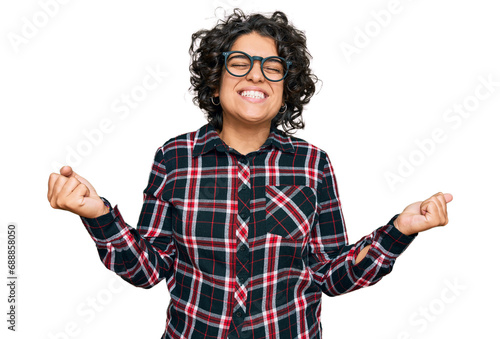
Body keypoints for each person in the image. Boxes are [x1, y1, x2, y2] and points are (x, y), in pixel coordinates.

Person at [47, 9, 452, 339]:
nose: (256, 75)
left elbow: (331, 273)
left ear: (286, 86)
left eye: (272, 67)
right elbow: (148, 269)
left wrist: (400, 229)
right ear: (216, 79)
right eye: (240, 63)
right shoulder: (174, 157)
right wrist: (97, 214)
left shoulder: (313, 164)